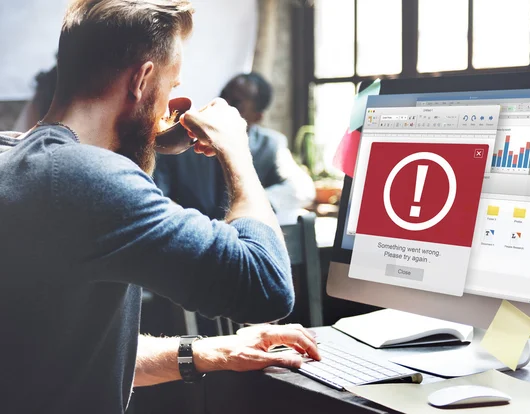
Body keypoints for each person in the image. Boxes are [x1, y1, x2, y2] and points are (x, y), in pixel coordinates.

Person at [0, 1, 319, 413]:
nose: (168, 105)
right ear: (142, 79)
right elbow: (267, 286)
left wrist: (215, 351)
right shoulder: (87, 177)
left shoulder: (16, 157)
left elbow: (64, 354)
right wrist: (237, 151)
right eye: (171, 87)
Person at [154, 73, 316, 220]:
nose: (224, 104)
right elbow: (157, 195)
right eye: (223, 95)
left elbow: (302, 188)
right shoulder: (183, 140)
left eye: (237, 102)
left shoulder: (270, 145)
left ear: (257, 117)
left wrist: (251, 206)